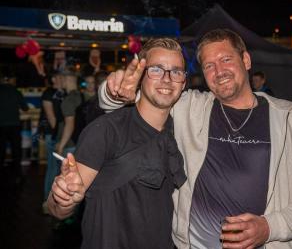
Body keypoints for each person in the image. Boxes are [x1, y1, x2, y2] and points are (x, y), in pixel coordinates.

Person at [99, 29, 292, 249]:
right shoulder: (188, 108)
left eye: (226, 59)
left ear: (246, 61)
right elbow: (122, 102)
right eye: (209, 65)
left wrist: (270, 227)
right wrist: (114, 91)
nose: (219, 71)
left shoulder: (289, 117)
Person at [47, 38, 187, 249]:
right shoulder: (106, 130)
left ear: (183, 82)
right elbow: (56, 209)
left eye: (176, 71)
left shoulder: (180, 131)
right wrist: (65, 198)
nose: (167, 79)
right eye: (157, 70)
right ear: (140, 76)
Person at [39, 71, 65, 212]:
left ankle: (56, 202)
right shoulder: (48, 93)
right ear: (54, 79)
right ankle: (46, 203)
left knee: (60, 170)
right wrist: (60, 137)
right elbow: (52, 118)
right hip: (52, 135)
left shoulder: (63, 93)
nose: (64, 79)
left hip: (61, 136)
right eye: (61, 77)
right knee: (52, 168)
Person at [0, 71, 28, 174]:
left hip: (1, 125)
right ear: (9, 79)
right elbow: (25, 108)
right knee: (16, 149)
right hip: (14, 125)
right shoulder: (16, 91)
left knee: (1, 150)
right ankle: (17, 171)